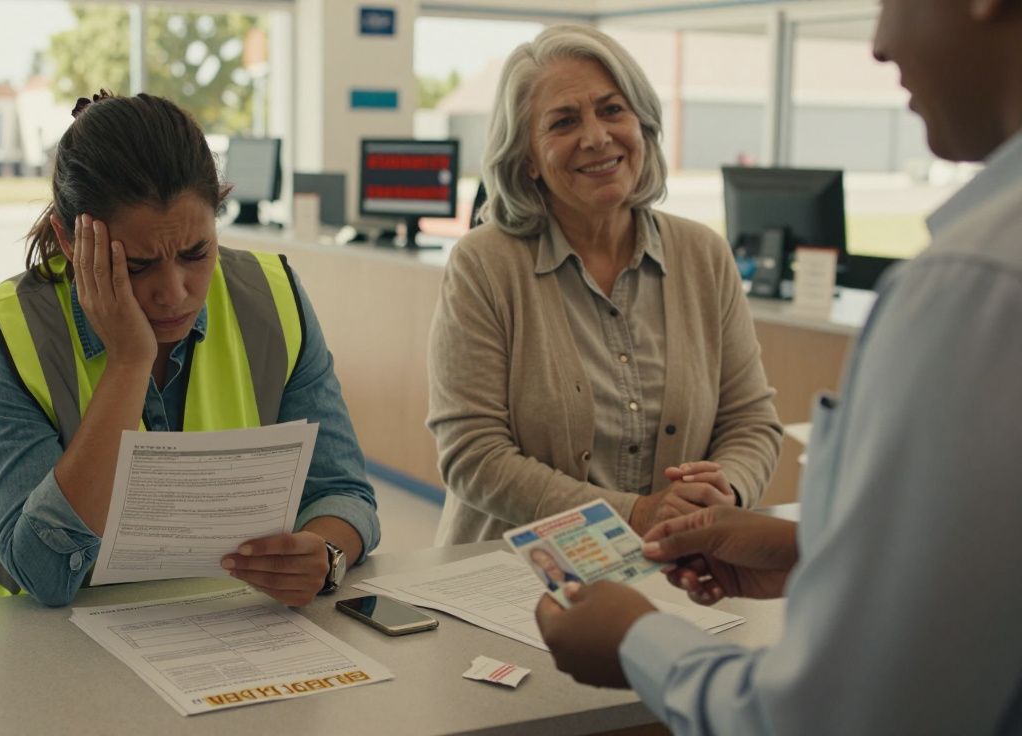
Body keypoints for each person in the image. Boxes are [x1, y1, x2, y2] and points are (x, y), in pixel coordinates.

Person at [534, 2, 1022, 733]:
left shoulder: (976, 286)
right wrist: (811, 551)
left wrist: (639, 639)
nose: (881, 42)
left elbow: (835, 712)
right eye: (564, 121)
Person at [0, 91, 379, 608]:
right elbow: (43, 573)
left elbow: (343, 491)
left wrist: (324, 551)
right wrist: (128, 364)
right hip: (40, 652)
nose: (174, 292)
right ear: (70, 241)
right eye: (136, 266)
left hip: (219, 632)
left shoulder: (273, 296)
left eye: (196, 253)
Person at [427, 24, 782, 544]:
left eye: (613, 110)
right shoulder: (484, 265)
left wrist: (724, 490)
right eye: (564, 121)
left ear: (642, 125)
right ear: (527, 157)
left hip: (673, 569)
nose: (596, 137)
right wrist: (632, 513)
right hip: (510, 578)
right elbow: (473, 456)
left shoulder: (703, 254)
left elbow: (751, 421)